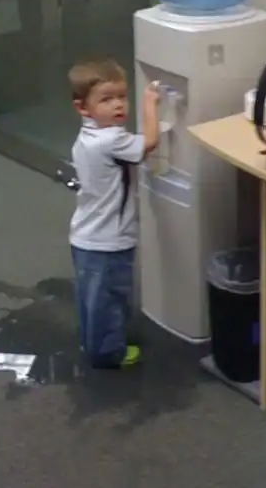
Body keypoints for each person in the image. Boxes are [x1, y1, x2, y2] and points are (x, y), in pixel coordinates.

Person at [68, 58, 160, 368]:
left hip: (85, 234)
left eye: (122, 96)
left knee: (92, 298)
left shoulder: (89, 136)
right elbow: (150, 142)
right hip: (109, 241)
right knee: (110, 299)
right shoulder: (111, 140)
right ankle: (109, 354)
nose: (118, 105)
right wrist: (150, 102)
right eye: (106, 99)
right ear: (83, 108)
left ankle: (92, 341)